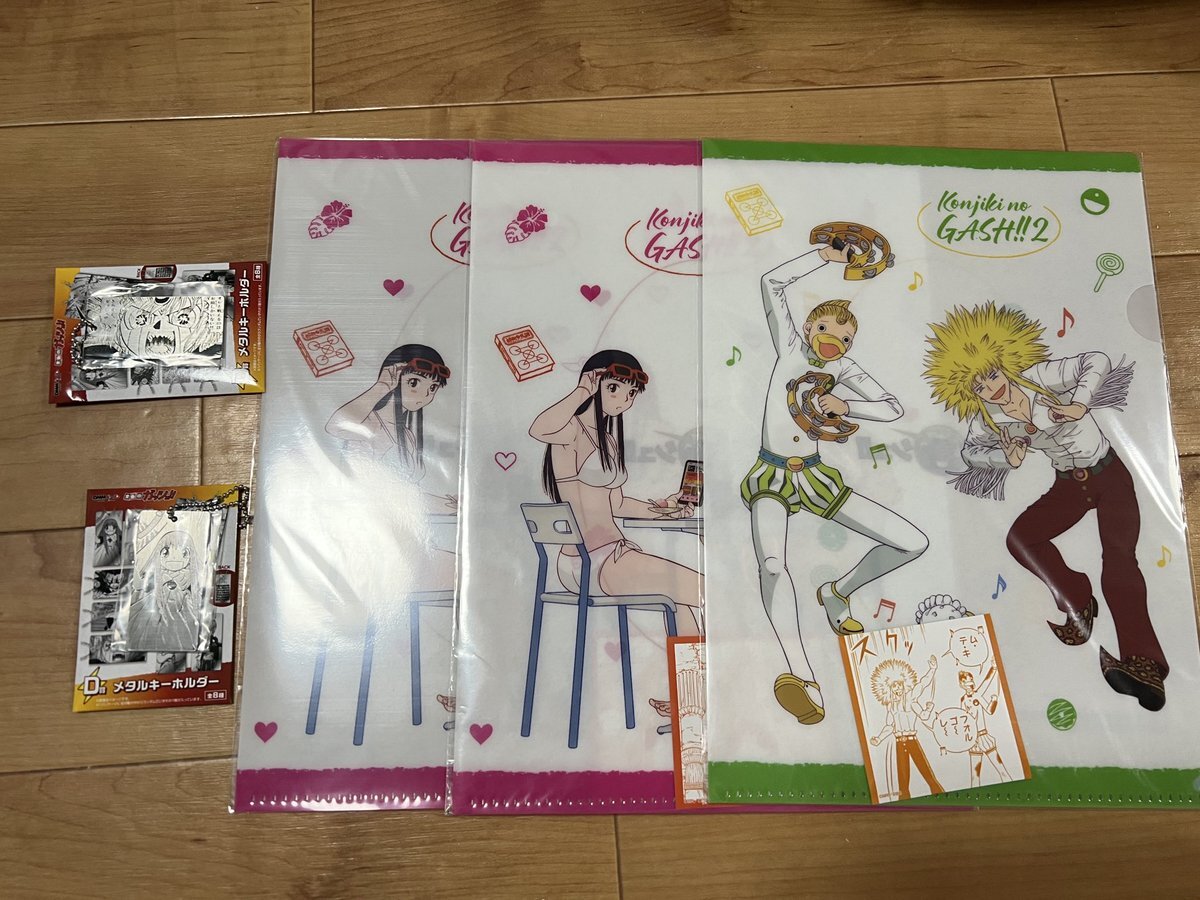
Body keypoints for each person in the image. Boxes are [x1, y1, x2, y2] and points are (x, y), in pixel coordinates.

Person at [924, 302, 1166, 711]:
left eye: (992, 374)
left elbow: (1096, 360)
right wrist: (1006, 459)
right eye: (979, 386)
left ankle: (1144, 665)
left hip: (1109, 475)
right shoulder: (989, 419)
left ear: (1004, 362)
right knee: (1022, 539)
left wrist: (1080, 404)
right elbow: (970, 453)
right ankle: (1077, 597)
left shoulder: (1040, 377)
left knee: (1119, 561)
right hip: (1068, 485)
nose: (991, 388)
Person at [746, 241, 928, 726]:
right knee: (772, 565)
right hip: (771, 474)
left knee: (912, 542)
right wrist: (823, 258)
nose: (835, 340)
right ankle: (802, 677)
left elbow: (891, 407)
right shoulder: (790, 348)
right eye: (827, 328)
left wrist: (849, 405)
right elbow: (771, 283)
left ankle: (838, 591)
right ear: (808, 328)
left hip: (816, 476)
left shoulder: (843, 370)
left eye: (846, 337)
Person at [531, 349, 702, 719]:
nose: (624, 400)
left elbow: (618, 503)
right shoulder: (570, 432)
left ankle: (690, 698)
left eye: (631, 393)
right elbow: (538, 428)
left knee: (685, 601)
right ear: (594, 384)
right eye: (614, 388)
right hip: (591, 563)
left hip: (608, 558)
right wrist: (582, 391)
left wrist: (664, 507)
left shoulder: (607, 440)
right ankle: (699, 697)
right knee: (704, 590)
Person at [326, 344, 458, 593]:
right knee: (471, 573)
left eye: (432, 388)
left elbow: (406, 493)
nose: (425, 395)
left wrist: (449, 504)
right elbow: (335, 425)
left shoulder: (407, 435)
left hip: (398, 543)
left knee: (472, 570)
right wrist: (381, 387)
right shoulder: (369, 426)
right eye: (414, 383)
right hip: (371, 545)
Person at [869, 657, 944, 801]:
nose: (898, 689)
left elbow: (923, 684)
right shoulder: (891, 706)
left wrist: (932, 669)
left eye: (900, 685)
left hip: (912, 741)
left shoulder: (910, 698)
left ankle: (940, 795)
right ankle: (903, 802)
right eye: (894, 686)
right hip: (899, 743)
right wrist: (879, 738)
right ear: (890, 688)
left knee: (926, 773)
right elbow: (889, 726)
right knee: (902, 782)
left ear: (904, 685)